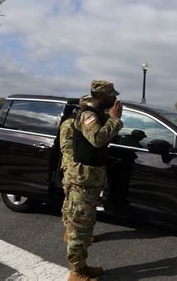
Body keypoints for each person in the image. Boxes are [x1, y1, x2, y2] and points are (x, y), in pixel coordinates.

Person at [65, 80, 123, 281]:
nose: (115, 98)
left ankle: (81, 265)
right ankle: (76, 272)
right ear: (99, 96)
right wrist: (115, 120)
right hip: (82, 181)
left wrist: (111, 120)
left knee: (84, 225)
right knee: (80, 228)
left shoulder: (98, 115)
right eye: (111, 95)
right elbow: (97, 139)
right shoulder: (88, 115)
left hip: (90, 181)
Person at [60, 95, 96, 243]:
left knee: (72, 201)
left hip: (76, 167)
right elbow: (66, 147)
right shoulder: (70, 123)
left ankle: (70, 231)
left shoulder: (81, 121)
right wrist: (73, 166)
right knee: (71, 202)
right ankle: (69, 232)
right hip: (72, 167)